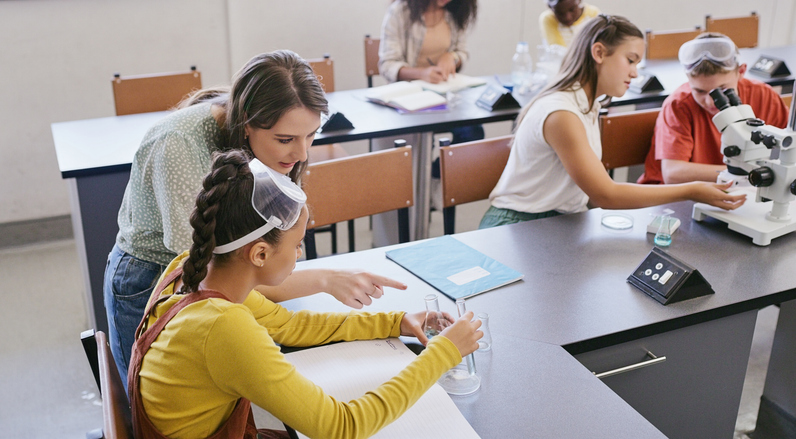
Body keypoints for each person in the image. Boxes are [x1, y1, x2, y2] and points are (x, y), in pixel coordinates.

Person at [105, 50, 408, 390]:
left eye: (311, 135)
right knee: (151, 411)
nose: (302, 153)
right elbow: (206, 276)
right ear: (247, 123)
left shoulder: (262, 138)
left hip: (215, 273)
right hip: (153, 277)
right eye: (286, 140)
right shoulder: (178, 145)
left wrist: (324, 280)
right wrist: (324, 279)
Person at [128, 150, 482, 439]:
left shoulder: (195, 267)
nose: (300, 255)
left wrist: (398, 321)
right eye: (297, 245)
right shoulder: (221, 326)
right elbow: (342, 426)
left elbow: (291, 325)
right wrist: (442, 353)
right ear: (260, 254)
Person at [480, 15, 746, 229]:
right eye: (630, 60)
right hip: (518, 225)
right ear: (599, 52)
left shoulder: (588, 105)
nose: (634, 73)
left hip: (560, 222)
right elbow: (605, 195)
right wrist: (691, 191)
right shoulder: (561, 113)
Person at [637, 33, 789, 184]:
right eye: (700, 91)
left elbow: (790, 141)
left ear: (741, 72)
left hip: (736, 188)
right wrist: (743, 172)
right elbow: (673, 174)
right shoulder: (678, 105)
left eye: (722, 90)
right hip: (676, 195)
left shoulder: (763, 95)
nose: (710, 102)